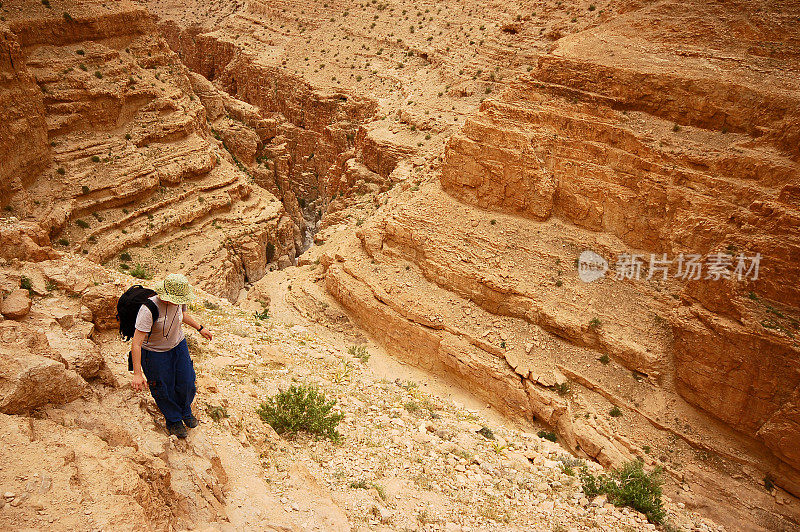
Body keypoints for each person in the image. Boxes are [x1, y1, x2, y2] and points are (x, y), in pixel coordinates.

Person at [130, 273, 212, 438]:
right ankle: (173, 419)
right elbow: (136, 343)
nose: (177, 302)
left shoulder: (179, 299)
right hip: (154, 353)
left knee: (187, 381)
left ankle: (185, 411)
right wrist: (138, 374)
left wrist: (200, 328)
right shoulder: (148, 309)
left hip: (178, 345)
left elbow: (182, 315)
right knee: (163, 387)